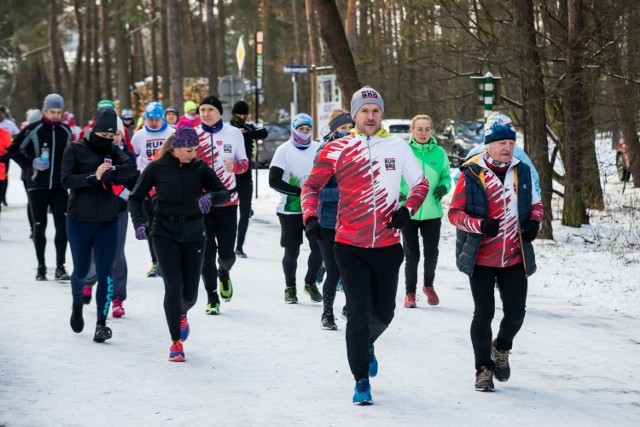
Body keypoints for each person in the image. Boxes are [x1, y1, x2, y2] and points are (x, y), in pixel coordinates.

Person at [301, 86, 428, 405]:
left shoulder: (397, 147)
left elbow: (420, 183)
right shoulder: (337, 149)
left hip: (387, 245)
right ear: (354, 115)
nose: (370, 116)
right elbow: (311, 186)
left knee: (384, 312)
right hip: (349, 244)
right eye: (364, 111)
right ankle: (360, 380)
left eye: (375, 110)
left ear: (381, 114)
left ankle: (365, 345)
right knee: (358, 313)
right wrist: (310, 217)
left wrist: (407, 209)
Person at [448, 112, 543, 392]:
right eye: (501, 142)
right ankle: (483, 369)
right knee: (484, 313)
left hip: (514, 255)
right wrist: (480, 225)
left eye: (511, 143)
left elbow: (536, 204)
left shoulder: (521, 172)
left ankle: (501, 347)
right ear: (487, 145)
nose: (507, 147)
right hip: (482, 258)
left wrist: (534, 222)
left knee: (516, 313)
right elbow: (454, 214)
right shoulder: (472, 173)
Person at [129, 126, 230, 361]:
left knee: (190, 294)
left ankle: (183, 312)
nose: (192, 154)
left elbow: (224, 192)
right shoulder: (156, 167)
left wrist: (211, 198)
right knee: (172, 288)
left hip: (195, 233)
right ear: (175, 147)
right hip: (164, 232)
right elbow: (135, 198)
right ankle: (176, 342)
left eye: (196, 150)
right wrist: (139, 224)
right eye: (188, 150)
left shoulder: (200, 168)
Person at [61, 107, 137, 343]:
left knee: (106, 273)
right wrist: (92, 177)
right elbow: (65, 180)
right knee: (82, 271)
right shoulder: (75, 148)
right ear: (93, 130)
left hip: (107, 220)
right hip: (79, 220)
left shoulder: (113, 151)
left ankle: (101, 324)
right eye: (102, 135)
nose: (105, 140)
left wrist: (111, 172)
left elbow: (131, 169)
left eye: (110, 136)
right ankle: (76, 306)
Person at [7, 94, 73, 281]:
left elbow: (71, 156)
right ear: (44, 111)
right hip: (37, 186)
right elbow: (13, 150)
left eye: (59, 112)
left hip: (59, 187)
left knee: (62, 227)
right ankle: (41, 267)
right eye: (52, 112)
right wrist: (30, 162)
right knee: (39, 226)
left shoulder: (66, 132)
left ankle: (60, 267)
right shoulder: (32, 130)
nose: (55, 116)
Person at [80, 117, 140, 317]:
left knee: (116, 253)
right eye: (109, 134)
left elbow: (133, 182)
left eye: (117, 134)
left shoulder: (126, 155)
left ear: (122, 135)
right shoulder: (92, 152)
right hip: (95, 209)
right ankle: (88, 283)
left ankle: (117, 298)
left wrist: (120, 194)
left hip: (118, 210)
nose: (113, 138)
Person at [195, 96, 248, 315]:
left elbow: (245, 164)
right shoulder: (192, 135)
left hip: (227, 201)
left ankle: (224, 273)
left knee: (227, 254)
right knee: (206, 253)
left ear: (219, 112)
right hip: (202, 203)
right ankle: (211, 297)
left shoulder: (233, 133)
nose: (206, 113)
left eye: (210, 109)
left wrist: (234, 166)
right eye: (202, 110)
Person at [269, 113, 324, 305]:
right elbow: (273, 181)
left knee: (319, 250)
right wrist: (300, 191)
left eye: (308, 129)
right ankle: (290, 288)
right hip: (290, 209)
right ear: (294, 129)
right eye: (301, 129)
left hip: (315, 209)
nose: (305, 133)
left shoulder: (318, 148)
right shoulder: (283, 150)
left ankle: (310, 283)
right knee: (292, 250)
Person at [400, 114, 452, 308]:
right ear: (412, 131)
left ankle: (428, 285)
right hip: (409, 212)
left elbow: (447, 177)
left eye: (427, 129)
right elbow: (396, 175)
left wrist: (444, 187)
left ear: (432, 131)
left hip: (432, 213)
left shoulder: (439, 153)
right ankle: (410, 293)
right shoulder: (405, 151)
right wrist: (400, 193)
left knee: (432, 253)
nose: (423, 133)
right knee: (412, 254)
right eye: (419, 129)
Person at [314, 108, 353, 330]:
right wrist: (343, 193)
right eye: (342, 128)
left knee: (350, 267)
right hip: (328, 221)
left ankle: (349, 308)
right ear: (333, 130)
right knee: (334, 268)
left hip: (352, 219)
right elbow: (315, 189)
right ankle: (327, 313)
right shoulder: (324, 151)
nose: (347, 132)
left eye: (349, 128)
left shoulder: (358, 149)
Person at [130, 101, 173, 277]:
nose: (153, 122)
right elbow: (133, 159)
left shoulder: (171, 133)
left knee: (169, 223)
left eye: (156, 119)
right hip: (148, 185)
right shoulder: (138, 136)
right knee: (152, 225)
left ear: (162, 118)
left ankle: (170, 261)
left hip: (168, 184)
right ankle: (155, 262)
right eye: (150, 119)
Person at [229, 100, 269, 258]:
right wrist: (236, 133)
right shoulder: (228, 128)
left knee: (245, 213)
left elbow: (264, 132)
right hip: (230, 175)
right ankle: (227, 244)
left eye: (244, 114)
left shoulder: (248, 126)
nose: (241, 117)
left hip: (245, 175)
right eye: (239, 114)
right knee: (229, 213)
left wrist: (246, 133)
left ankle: (239, 247)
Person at [0, 105, 20, 207]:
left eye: (1, 113)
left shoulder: (9, 124)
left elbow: (17, 136)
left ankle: (3, 197)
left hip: (5, 154)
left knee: (3, 177)